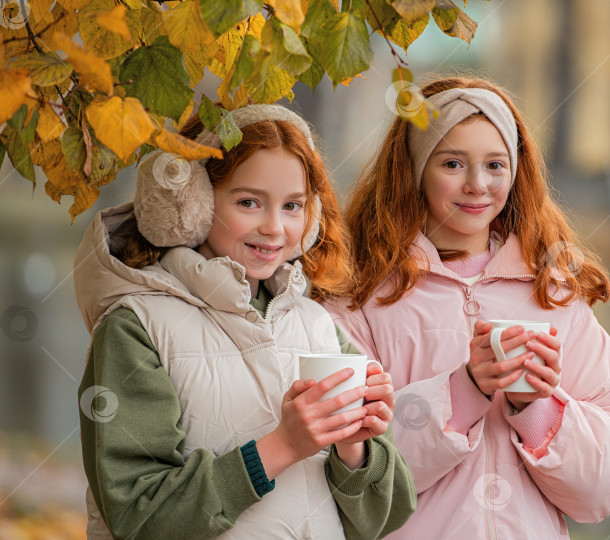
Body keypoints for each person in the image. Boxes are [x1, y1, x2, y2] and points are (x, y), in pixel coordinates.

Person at [323, 76, 610, 539]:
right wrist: (463, 394)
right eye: (453, 163)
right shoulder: (361, 297)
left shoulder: (552, 294)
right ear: (415, 170)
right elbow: (343, 469)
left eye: (495, 165)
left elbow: (609, 482)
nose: (478, 185)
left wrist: (537, 409)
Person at [73, 104, 416, 539]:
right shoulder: (135, 327)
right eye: (249, 202)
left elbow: (386, 517)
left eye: (292, 205)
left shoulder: (318, 325)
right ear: (192, 204)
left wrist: (354, 446)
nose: (275, 228)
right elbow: (139, 516)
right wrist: (282, 447)